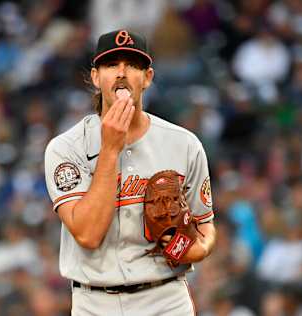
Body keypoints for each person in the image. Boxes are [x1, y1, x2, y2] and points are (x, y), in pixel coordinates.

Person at [44, 29, 216, 315]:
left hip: (164, 297)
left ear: (147, 77)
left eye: (132, 65)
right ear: (96, 78)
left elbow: (205, 224)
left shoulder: (183, 144)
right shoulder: (65, 149)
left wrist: (199, 248)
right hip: (95, 302)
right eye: (112, 65)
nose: (122, 73)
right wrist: (110, 150)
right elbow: (87, 235)